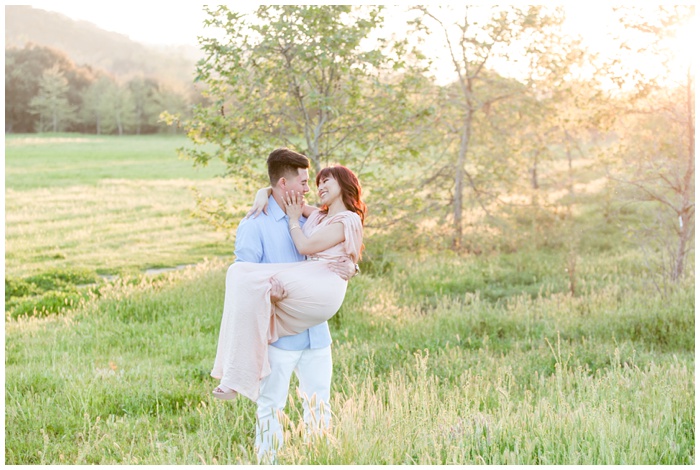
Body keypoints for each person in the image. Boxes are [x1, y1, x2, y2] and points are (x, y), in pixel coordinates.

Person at [209, 148, 364, 462]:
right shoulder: (255, 224)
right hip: (280, 335)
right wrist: (268, 293)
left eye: (312, 182)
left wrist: (351, 266)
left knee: (319, 404)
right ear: (283, 183)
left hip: (316, 333)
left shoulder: (311, 217)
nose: (309, 188)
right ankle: (268, 462)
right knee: (271, 405)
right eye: (304, 181)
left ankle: (319, 459)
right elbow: (246, 282)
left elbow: (333, 247)